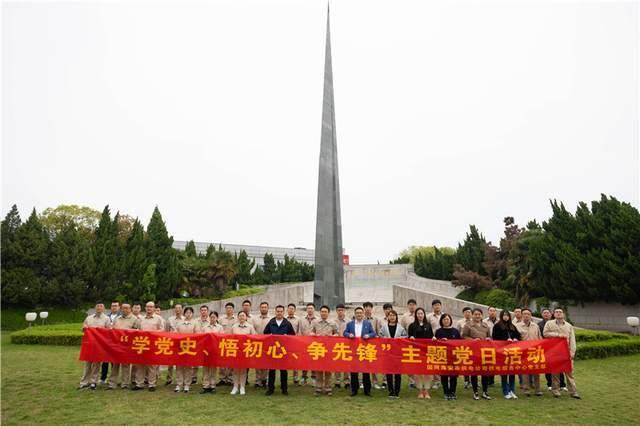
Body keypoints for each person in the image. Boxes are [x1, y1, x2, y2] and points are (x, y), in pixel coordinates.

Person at [543, 308, 580, 399]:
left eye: (560, 312)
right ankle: (556, 390)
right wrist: (557, 335)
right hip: (554, 352)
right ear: (554, 314)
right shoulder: (549, 323)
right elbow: (545, 333)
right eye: (556, 312)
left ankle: (573, 392)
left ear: (563, 314)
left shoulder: (569, 326)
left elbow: (572, 340)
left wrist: (572, 352)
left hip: (566, 352)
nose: (558, 313)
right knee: (555, 372)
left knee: (569, 373)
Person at [263, 305, 296, 395]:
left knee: (283, 370)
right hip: (273, 350)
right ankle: (270, 389)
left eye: (281, 311)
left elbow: (293, 335)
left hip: (283, 350)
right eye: (278, 311)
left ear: (284, 312)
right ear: (275, 312)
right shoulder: (271, 322)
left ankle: (284, 389)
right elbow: (265, 333)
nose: (279, 313)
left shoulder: (287, 323)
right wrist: (270, 336)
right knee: (271, 370)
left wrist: (287, 337)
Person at [344, 306, 377, 397]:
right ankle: (354, 390)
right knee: (354, 371)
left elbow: (373, 333)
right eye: (357, 313)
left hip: (364, 350)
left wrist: (369, 335)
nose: (359, 314)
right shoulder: (350, 324)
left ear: (363, 314)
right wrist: (349, 334)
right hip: (353, 350)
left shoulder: (367, 323)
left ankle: (367, 390)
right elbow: (344, 332)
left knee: (366, 370)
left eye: (360, 313)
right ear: (355, 314)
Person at [133, 301, 164, 391]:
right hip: (142, 344)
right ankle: (139, 383)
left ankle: (151, 384)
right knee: (140, 364)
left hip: (153, 344)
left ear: (154, 308)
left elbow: (162, 330)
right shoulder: (141, 319)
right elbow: (137, 330)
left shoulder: (158, 318)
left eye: (151, 307)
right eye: (147, 307)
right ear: (145, 308)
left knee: (152, 365)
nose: (149, 308)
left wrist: (152, 333)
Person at [79, 302, 110, 390]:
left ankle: (93, 382)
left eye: (101, 306)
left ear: (104, 309)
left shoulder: (106, 319)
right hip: (89, 344)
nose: (99, 308)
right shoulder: (89, 318)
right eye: (98, 306)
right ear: (95, 308)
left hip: (99, 345)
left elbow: (109, 332)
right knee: (87, 364)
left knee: (96, 364)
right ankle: (84, 382)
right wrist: (85, 328)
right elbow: (83, 328)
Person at [463, 308, 492, 400]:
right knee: (474, 372)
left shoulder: (485, 325)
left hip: (484, 352)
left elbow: (489, 337)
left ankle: (485, 392)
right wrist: (472, 340)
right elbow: (464, 336)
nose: (477, 316)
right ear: (472, 315)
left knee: (485, 372)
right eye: (475, 314)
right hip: (473, 351)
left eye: (479, 314)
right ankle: (475, 392)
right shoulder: (468, 325)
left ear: (482, 315)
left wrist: (489, 339)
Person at [492, 310, 521, 399]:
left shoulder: (512, 326)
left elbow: (518, 335)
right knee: (504, 372)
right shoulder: (497, 326)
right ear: (501, 316)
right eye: (504, 315)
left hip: (512, 352)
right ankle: (505, 391)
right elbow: (495, 338)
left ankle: (512, 390)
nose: (506, 317)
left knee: (512, 372)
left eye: (507, 315)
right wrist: (505, 340)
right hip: (502, 352)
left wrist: (515, 339)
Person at [310, 305, 339, 396]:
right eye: (322, 311)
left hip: (329, 349)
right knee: (318, 369)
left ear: (328, 313)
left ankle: (328, 388)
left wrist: (333, 336)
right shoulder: (315, 322)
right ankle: (318, 388)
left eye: (325, 312)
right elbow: (311, 332)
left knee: (328, 370)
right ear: (320, 312)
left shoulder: (333, 323)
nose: (323, 313)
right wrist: (313, 334)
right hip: (318, 348)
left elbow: (337, 333)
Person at [108, 303, 138, 390]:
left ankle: (125, 384)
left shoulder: (135, 319)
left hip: (127, 346)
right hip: (117, 345)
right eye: (123, 308)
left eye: (127, 308)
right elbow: (112, 330)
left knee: (126, 365)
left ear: (130, 309)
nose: (125, 310)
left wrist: (127, 331)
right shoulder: (117, 318)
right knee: (115, 365)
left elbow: (138, 331)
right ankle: (112, 383)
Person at [378, 309, 406, 399]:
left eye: (394, 315)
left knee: (398, 373)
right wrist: (384, 338)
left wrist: (399, 338)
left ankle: (397, 391)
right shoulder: (384, 327)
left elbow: (405, 336)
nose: (392, 317)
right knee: (389, 372)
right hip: (387, 352)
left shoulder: (400, 327)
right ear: (388, 317)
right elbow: (380, 336)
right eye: (390, 315)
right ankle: (390, 391)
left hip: (397, 353)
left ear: (396, 317)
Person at [516, 308, 543, 397]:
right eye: (524, 314)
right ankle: (526, 389)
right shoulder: (517, 326)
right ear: (521, 315)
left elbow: (539, 338)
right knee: (525, 371)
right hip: (523, 352)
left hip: (534, 351)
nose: (526, 315)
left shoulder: (535, 326)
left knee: (536, 371)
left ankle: (537, 389)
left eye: (528, 314)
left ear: (531, 315)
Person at [407, 307, 433, 399]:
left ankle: (427, 390)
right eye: (418, 314)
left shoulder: (428, 325)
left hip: (427, 351)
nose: (420, 315)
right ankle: (420, 391)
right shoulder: (412, 325)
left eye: (421, 313)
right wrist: (410, 338)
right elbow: (409, 337)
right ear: (416, 315)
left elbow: (431, 336)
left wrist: (433, 338)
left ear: (424, 314)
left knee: (427, 372)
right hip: (416, 352)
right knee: (418, 372)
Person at [538, 308, 567, 390]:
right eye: (544, 313)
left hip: (557, 347)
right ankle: (550, 384)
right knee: (548, 366)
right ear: (542, 314)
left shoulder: (555, 323)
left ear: (551, 314)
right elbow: (540, 335)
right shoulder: (539, 324)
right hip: (546, 347)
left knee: (559, 366)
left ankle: (562, 384)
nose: (546, 314)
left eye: (547, 313)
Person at [435, 313, 461, 400]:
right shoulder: (438, 331)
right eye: (444, 319)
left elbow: (460, 344)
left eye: (448, 319)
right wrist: (440, 341)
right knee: (444, 375)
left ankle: (453, 392)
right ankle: (446, 392)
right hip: (443, 357)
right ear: (441, 321)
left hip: (454, 357)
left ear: (450, 320)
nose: (446, 321)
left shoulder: (455, 331)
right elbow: (435, 344)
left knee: (453, 376)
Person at [230, 311, 255, 395]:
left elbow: (254, 338)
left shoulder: (250, 327)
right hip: (236, 351)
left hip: (245, 351)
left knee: (243, 370)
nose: (241, 317)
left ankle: (242, 387)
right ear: (238, 317)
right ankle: (235, 387)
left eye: (243, 315)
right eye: (240, 315)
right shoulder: (234, 327)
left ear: (246, 317)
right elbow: (230, 338)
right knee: (235, 370)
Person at [173, 307, 197, 393]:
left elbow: (197, 335)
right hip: (180, 347)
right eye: (187, 312)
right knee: (179, 367)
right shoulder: (179, 323)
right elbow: (175, 334)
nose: (188, 314)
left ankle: (187, 384)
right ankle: (179, 384)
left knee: (188, 367)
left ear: (192, 314)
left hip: (190, 348)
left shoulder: (195, 323)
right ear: (184, 314)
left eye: (190, 312)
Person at [200, 311, 224, 394]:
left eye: (214, 317)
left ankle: (212, 385)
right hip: (206, 351)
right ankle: (205, 386)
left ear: (217, 318)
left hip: (215, 350)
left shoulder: (220, 327)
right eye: (211, 317)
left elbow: (222, 338)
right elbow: (201, 338)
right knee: (206, 369)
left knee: (213, 369)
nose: (212, 319)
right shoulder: (205, 327)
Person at [100, 301, 121, 384]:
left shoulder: (121, 317)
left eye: (116, 306)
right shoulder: (106, 317)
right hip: (106, 341)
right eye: (112, 306)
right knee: (105, 361)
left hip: (116, 342)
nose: (114, 307)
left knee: (114, 362)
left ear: (119, 307)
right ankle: (103, 378)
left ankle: (113, 379)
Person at [363, 301, 383, 390]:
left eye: (369, 307)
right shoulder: (361, 318)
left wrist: (376, 337)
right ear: (364, 309)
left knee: (373, 364)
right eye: (366, 307)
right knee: (362, 364)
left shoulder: (376, 319)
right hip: (362, 345)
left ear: (371, 309)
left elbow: (378, 332)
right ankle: (363, 382)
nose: (367, 309)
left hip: (372, 345)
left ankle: (375, 382)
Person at [252, 302, 272, 388]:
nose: (263, 309)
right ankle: (258, 380)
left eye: (265, 307)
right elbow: (252, 329)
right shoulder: (254, 319)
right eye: (262, 307)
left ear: (268, 308)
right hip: (257, 343)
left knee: (266, 362)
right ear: (260, 308)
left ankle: (265, 380)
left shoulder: (271, 319)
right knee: (257, 363)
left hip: (267, 343)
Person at [298, 303, 318, 386]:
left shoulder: (317, 320)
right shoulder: (301, 320)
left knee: (314, 361)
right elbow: (299, 331)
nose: (310, 310)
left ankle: (314, 378)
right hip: (304, 343)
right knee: (304, 361)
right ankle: (304, 377)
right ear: (306, 309)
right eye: (308, 308)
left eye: (311, 308)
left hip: (314, 344)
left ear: (314, 309)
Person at [400, 299, 418, 389]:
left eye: (413, 304)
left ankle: (419, 381)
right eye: (410, 304)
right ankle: (412, 381)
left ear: (416, 306)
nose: (412, 306)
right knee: (410, 362)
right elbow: (402, 329)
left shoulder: (420, 314)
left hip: (420, 343)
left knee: (419, 362)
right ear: (408, 306)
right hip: (408, 343)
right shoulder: (404, 316)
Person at [217, 302, 236, 386]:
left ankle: (230, 379)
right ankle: (222, 378)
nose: (228, 310)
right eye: (227, 308)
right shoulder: (221, 319)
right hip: (222, 342)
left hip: (232, 343)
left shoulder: (236, 319)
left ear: (233, 309)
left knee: (231, 362)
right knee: (222, 362)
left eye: (230, 308)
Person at [165, 303, 183, 386]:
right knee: (170, 362)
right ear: (174, 309)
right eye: (176, 308)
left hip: (181, 343)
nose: (177, 309)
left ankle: (179, 379)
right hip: (171, 343)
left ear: (182, 309)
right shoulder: (170, 319)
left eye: (179, 308)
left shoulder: (184, 319)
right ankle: (169, 379)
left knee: (180, 363)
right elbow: (166, 331)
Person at [426, 300, 443, 389]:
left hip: (443, 341)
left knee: (443, 360)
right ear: (432, 307)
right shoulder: (429, 317)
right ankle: (436, 381)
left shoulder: (444, 316)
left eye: (438, 305)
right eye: (435, 305)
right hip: (433, 341)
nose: (437, 306)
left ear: (441, 306)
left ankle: (444, 379)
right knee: (434, 361)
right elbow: (426, 328)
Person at [455, 307, 473, 389]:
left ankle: (473, 381)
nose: (467, 313)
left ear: (471, 313)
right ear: (463, 313)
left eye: (469, 312)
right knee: (465, 363)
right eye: (465, 312)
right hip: (464, 346)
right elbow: (457, 333)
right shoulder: (460, 322)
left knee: (473, 363)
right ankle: (466, 380)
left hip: (473, 345)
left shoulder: (474, 322)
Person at [334, 304, 350, 389]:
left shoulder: (349, 321)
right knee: (337, 363)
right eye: (338, 310)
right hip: (336, 345)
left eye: (342, 310)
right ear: (336, 311)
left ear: (344, 311)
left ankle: (347, 381)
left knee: (346, 364)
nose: (340, 312)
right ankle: (337, 381)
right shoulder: (333, 321)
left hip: (347, 345)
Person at [286, 303, 301, 385]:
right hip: (285, 342)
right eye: (289, 309)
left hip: (294, 342)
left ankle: (296, 377)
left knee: (295, 360)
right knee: (285, 360)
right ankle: (285, 377)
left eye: (292, 309)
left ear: (295, 310)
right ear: (287, 310)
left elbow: (299, 330)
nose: (291, 310)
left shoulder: (298, 319)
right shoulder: (284, 319)